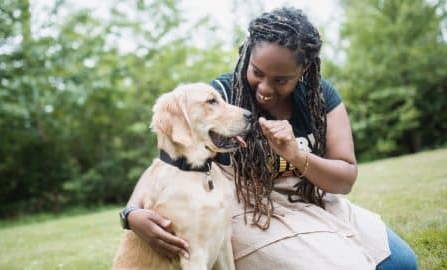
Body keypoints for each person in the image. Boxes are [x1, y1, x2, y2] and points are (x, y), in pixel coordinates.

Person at [122, 7, 418, 270]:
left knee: (402, 263)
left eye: (280, 80)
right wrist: (132, 214)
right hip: (254, 213)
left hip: (313, 200)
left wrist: (297, 155)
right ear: (247, 54)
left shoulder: (321, 98)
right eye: (257, 72)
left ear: (303, 71)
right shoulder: (222, 98)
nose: (264, 88)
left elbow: (344, 179)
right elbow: (170, 161)